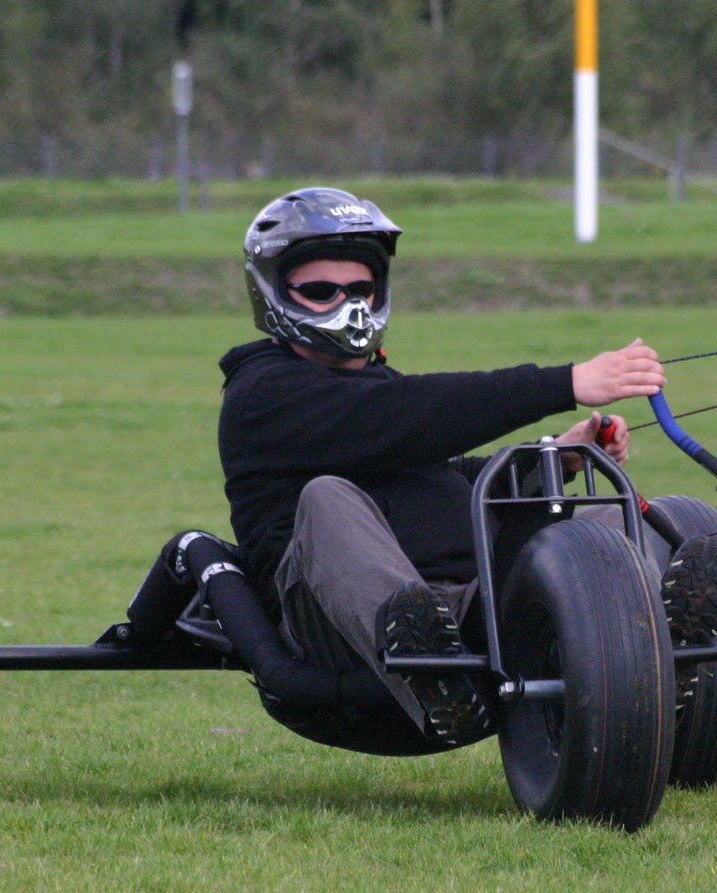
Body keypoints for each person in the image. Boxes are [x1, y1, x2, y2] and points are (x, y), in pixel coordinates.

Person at [217, 187, 667, 746]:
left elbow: (448, 475)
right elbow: (407, 417)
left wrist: (555, 455)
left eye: (359, 288)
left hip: (461, 608)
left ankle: (664, 654)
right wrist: (563, 383)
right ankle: (433, 678)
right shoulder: (264, 393)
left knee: (604, 519)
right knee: (326, 496)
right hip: (339, 628)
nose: (346, 303)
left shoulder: (380, 392)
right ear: (274, 293)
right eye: (321, 292)